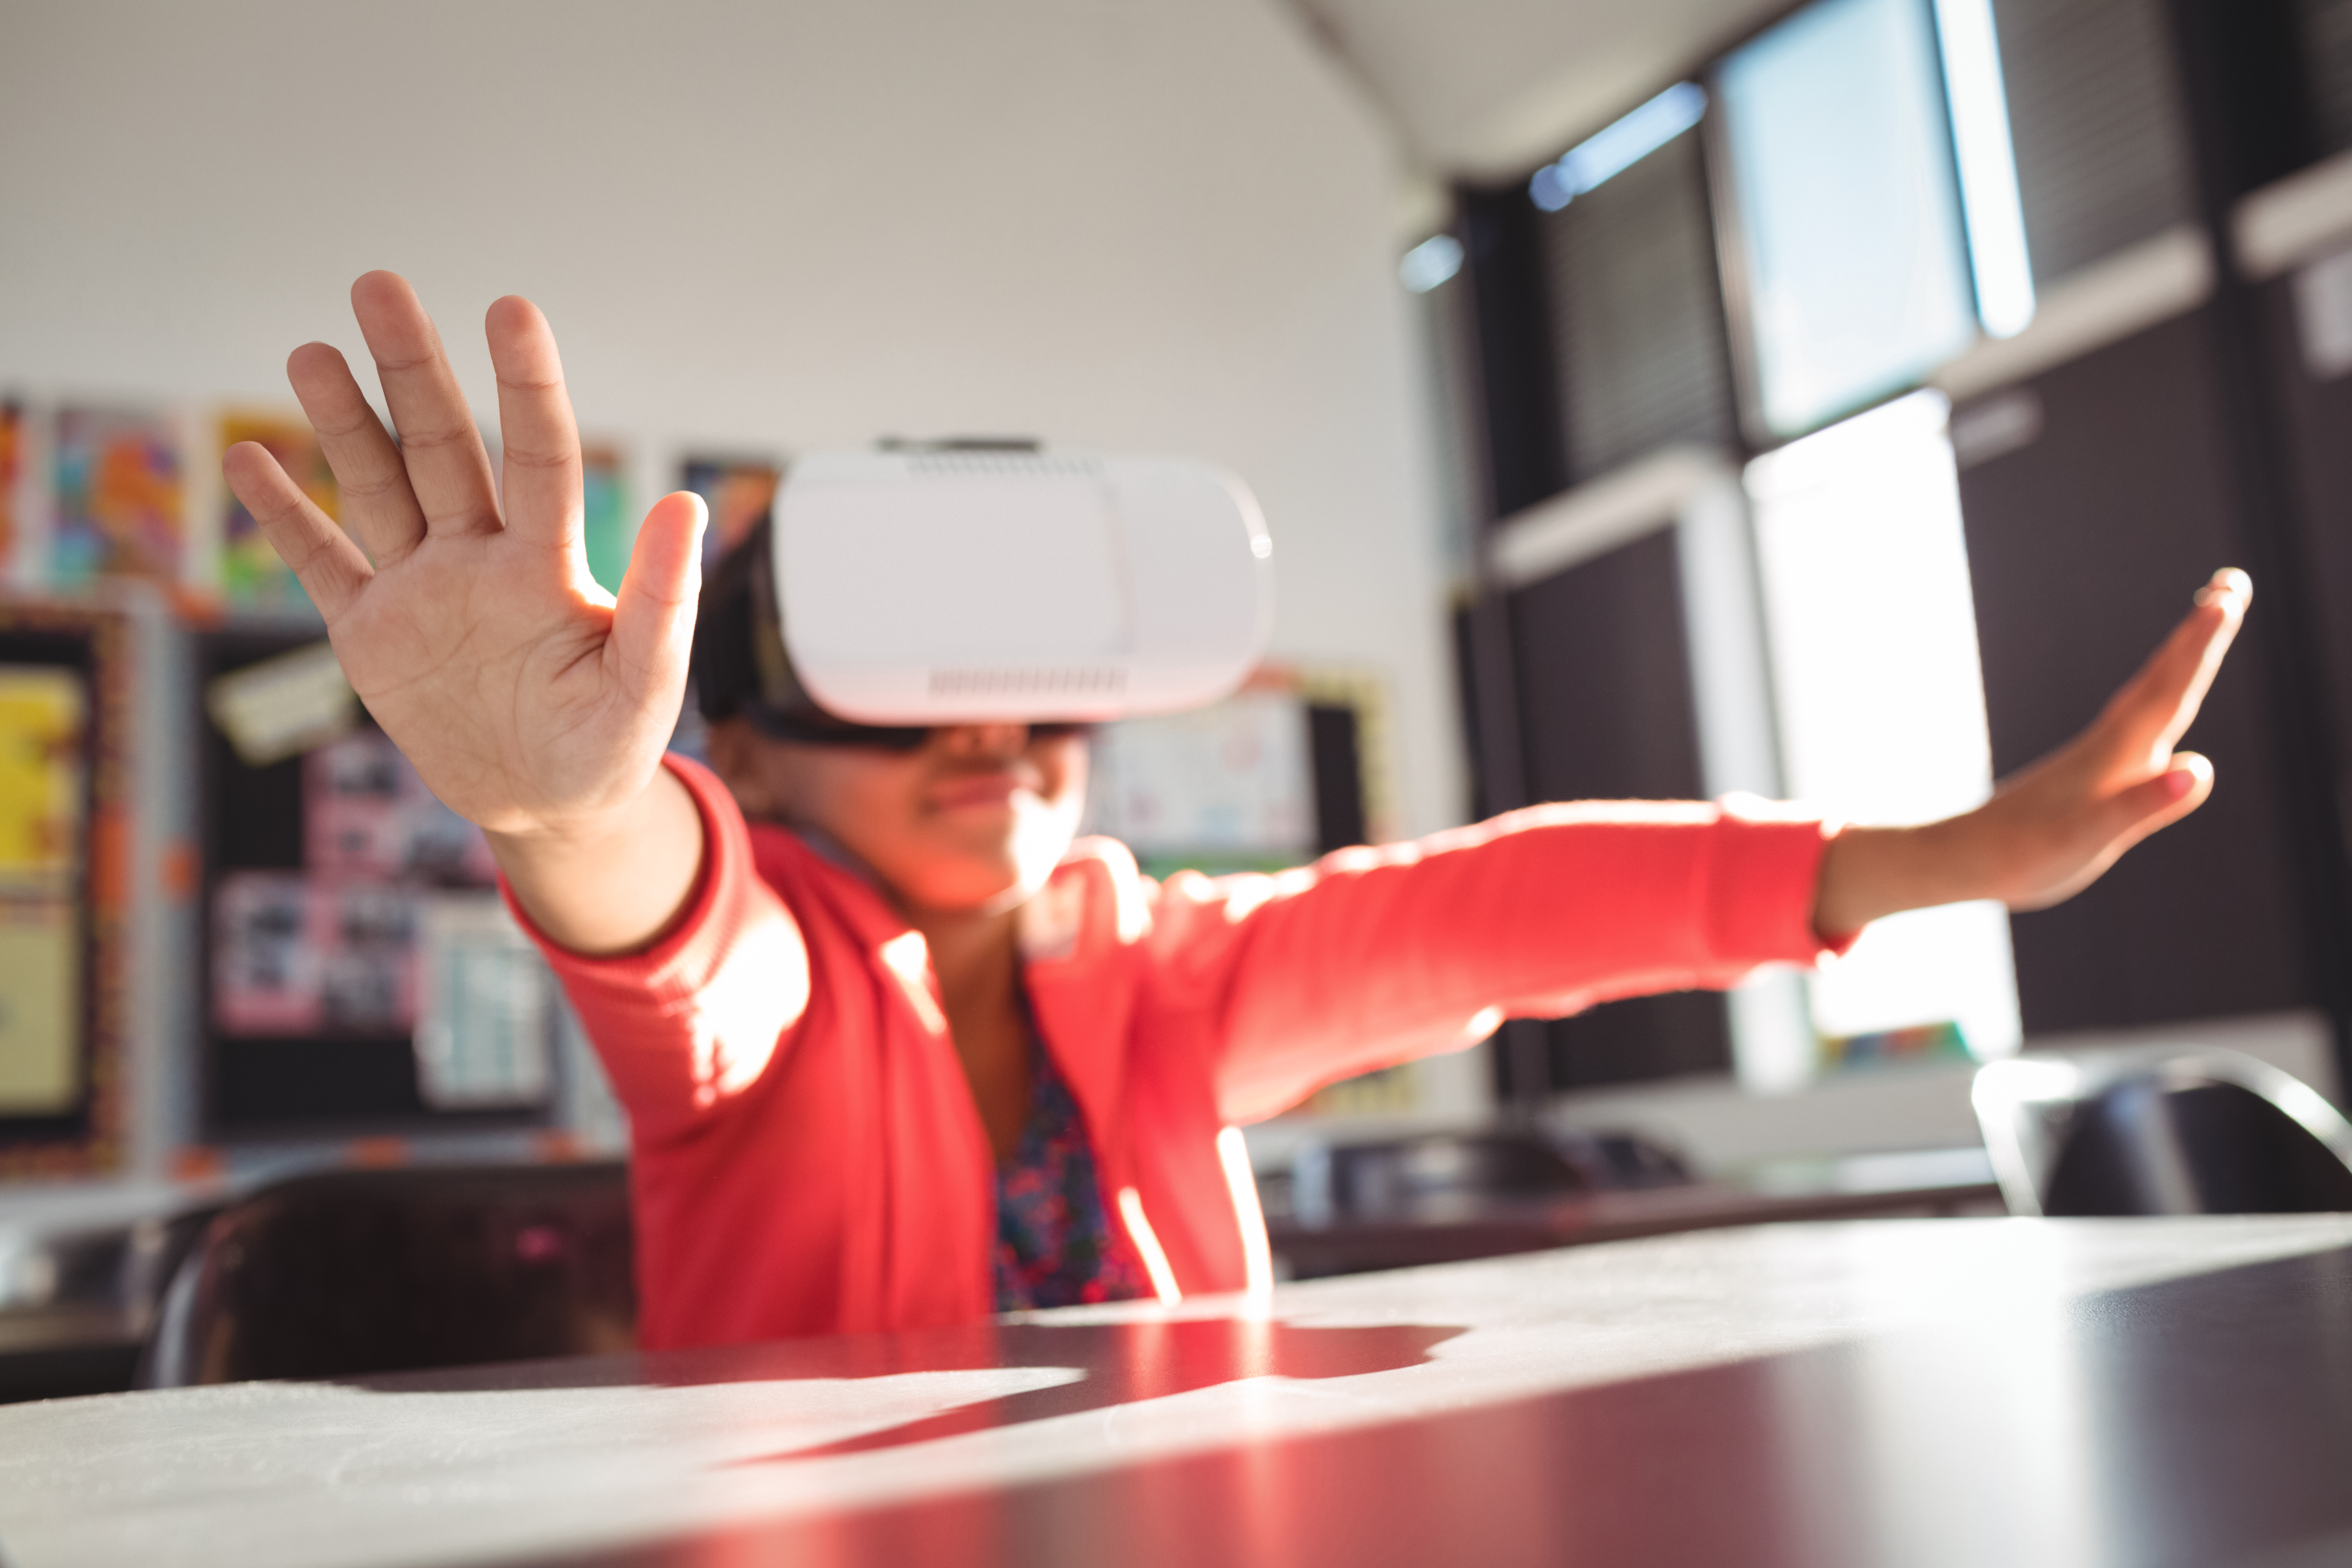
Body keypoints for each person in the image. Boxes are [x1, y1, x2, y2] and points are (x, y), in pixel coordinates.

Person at [223, 272, 2250, 1351]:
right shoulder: (774, 996)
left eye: (1037, 688)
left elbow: (1494, 915)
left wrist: (1953, 863)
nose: (992, 736)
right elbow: (674, 933)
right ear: (746, 750)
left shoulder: (1172, 977)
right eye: (902, 688)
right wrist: (561, 807)